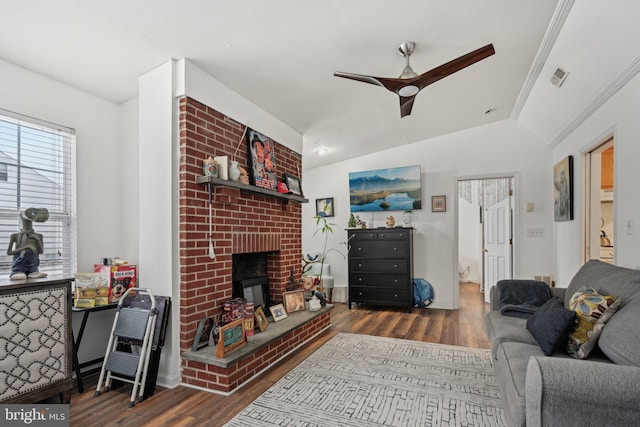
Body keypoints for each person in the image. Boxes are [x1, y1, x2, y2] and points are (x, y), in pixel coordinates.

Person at [7, 207, 50, 279]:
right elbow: (9, 252)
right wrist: (26, 247)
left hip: (33, 266)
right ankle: (18, 271)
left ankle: (32, 272)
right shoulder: (15, 236)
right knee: (21, 277)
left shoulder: (38, 236)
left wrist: (37, 240)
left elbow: (41, 251)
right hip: (19, 265)